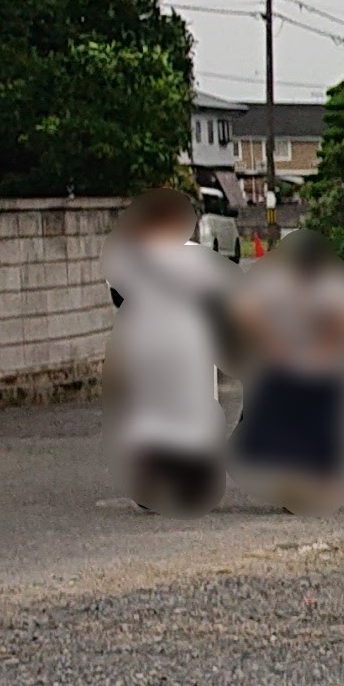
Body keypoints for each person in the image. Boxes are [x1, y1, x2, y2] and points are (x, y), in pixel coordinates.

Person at [108, 187, 227, 513]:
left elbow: (119, 298)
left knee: (149, 408)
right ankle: (192, 473)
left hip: (145, 341)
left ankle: (151, 471)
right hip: (188, 342)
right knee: (192, 407)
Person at [227, 230, 344, 511]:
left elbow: (343, 323)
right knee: (287, 430)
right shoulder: (278, 283)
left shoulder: (329, 285)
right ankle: (296, 487)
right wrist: (271, 342)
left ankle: (308, 488)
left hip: (316, 370)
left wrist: (326, 347)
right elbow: (247, 314)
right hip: (288, 369)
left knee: (313, 432)